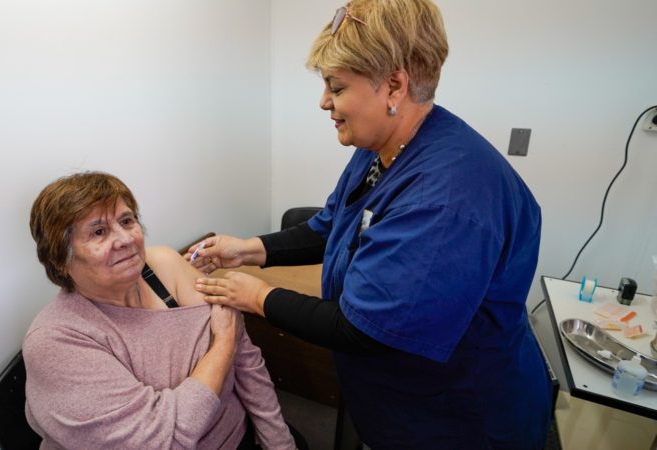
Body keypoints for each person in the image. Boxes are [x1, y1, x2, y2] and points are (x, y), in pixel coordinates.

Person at [189, 1, 552, 448]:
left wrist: (257, 296)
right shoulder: (380, 146)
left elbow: (362, 327)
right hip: (392, 401)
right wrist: (248, 249)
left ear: (394, 86)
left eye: (336, 87)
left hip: (458, 418)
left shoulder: (446, 199)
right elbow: (329, 227)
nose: (324, 102)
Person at [24, 171, 295, 450]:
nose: (125, 239)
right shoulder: (55, 342)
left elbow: (246, 360)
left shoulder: (163, 265)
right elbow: (162, 442)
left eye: (127, 221)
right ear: (59, 257)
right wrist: (223, 344)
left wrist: (279, 443)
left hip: (237, 434)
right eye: (99, 232)